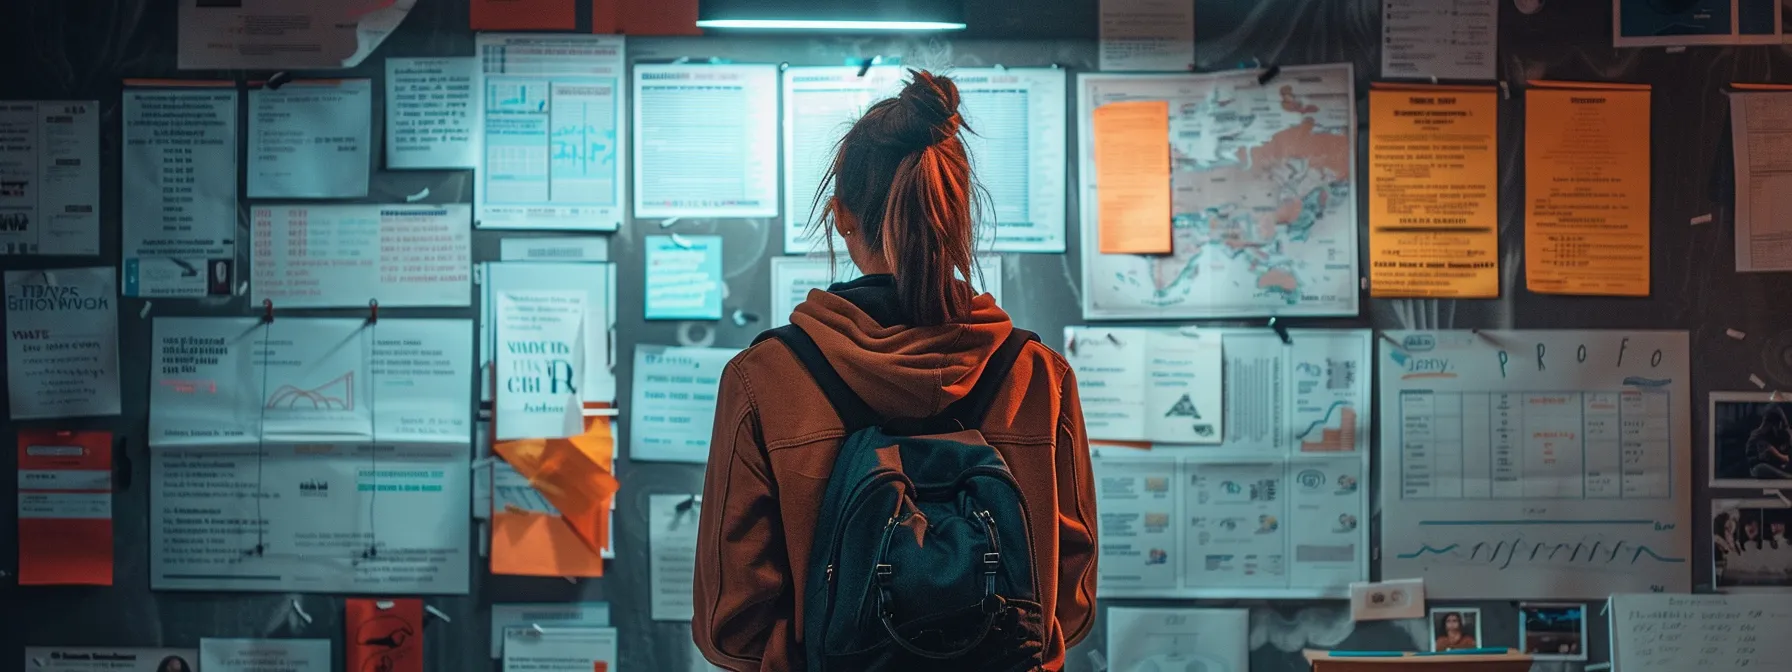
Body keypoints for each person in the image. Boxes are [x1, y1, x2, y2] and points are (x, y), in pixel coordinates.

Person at [692, 70, 1098, 672]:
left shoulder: (765, 379)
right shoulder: (1037, 375)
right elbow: (1070, 602)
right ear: (957, 216)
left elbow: (732, 623)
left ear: (840, 217)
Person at [1746, 407, 1792, 479]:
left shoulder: (1778, 434)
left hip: (1776, 466)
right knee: (1761, 468)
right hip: (1759, 467)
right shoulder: (1758, 435)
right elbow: (1761, 456)